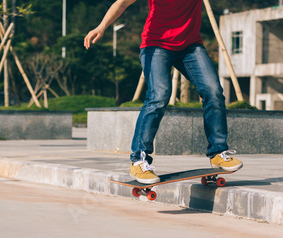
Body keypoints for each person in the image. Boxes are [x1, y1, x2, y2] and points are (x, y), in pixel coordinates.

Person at [84, 0, 243, 184]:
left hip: (190, 47)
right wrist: (102, 27)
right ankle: (139, 160)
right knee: (159, 96)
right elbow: (121, 3)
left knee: (213, 91)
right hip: (156, 45)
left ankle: (218, 153)